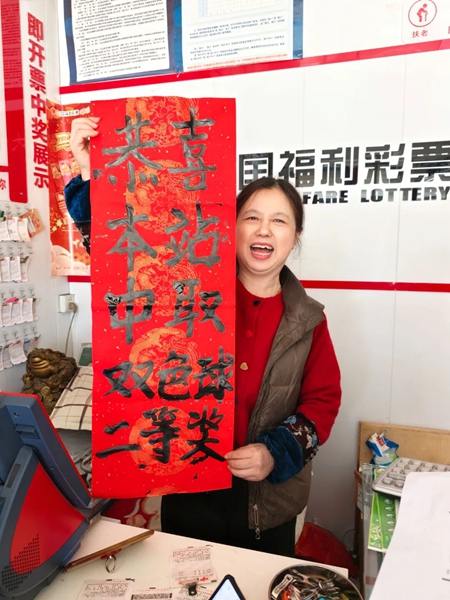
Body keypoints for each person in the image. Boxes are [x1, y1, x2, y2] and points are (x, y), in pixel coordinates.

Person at [65, 117, 341, 558]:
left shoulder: (309, 320)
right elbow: (122, 256)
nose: (264, 230)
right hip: (189, 489)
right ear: (231, 228)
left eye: (279, 221)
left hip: (267, 503)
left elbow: (322, 403)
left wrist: (276, 452)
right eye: (251, 218)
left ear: (295, 237)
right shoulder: (184, 292)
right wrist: (88, 172)